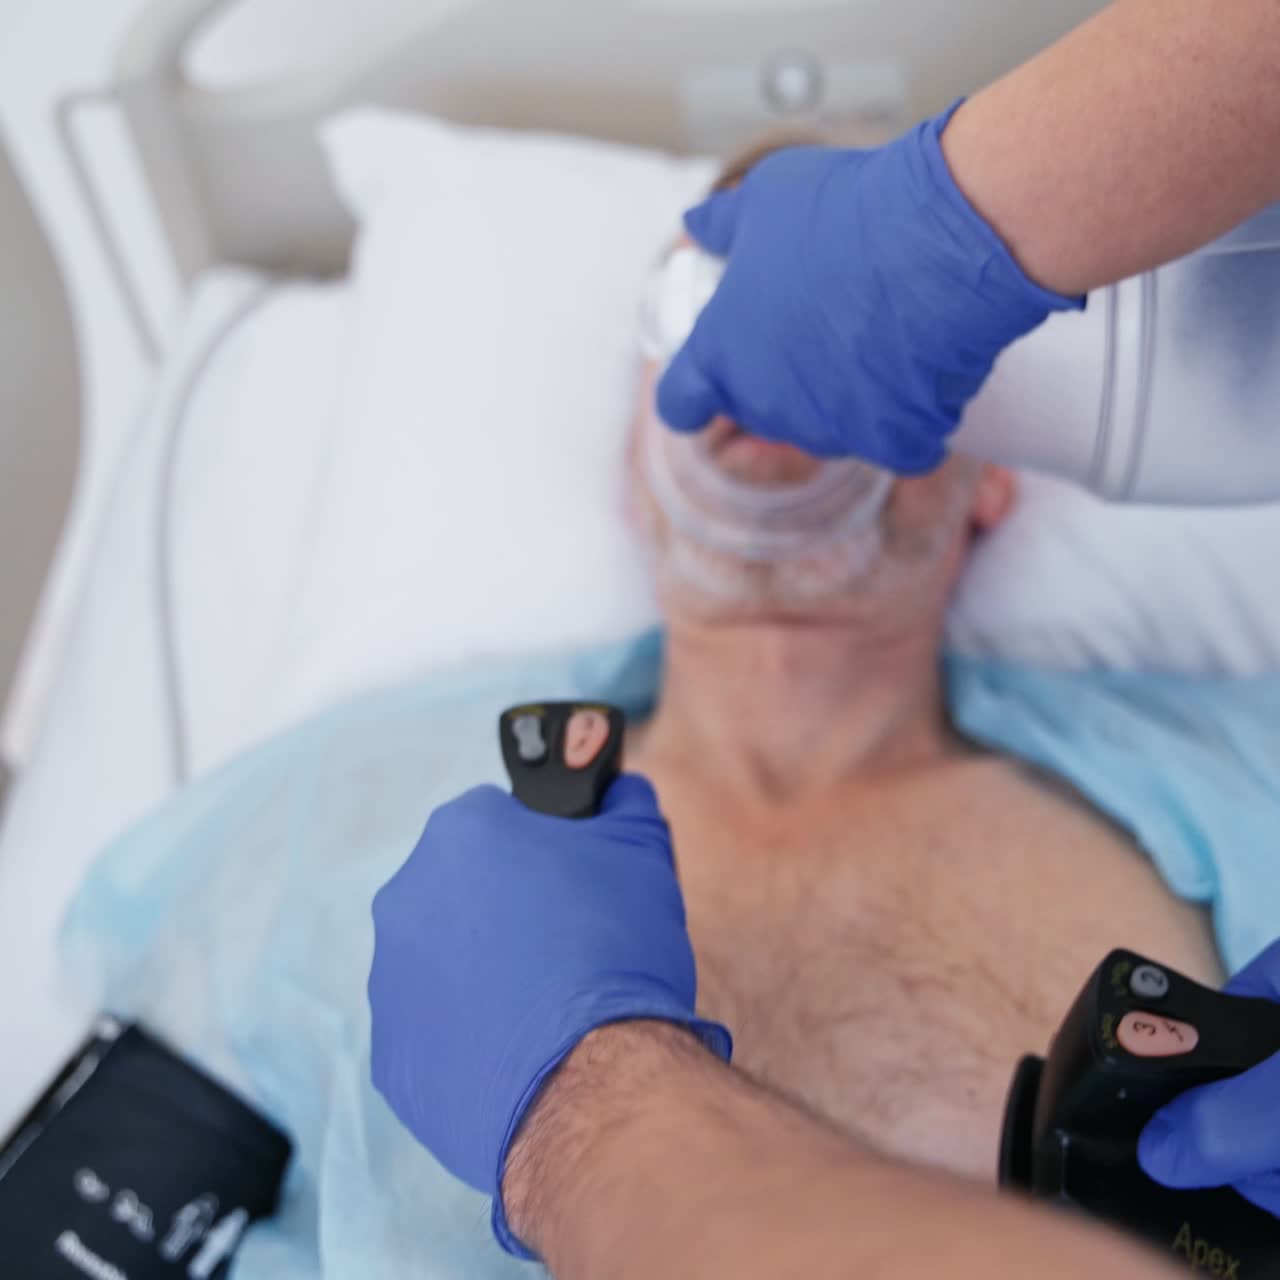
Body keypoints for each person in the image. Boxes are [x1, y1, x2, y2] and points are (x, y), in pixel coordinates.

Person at [368, 132, 1280, 1276]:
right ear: (628, 469)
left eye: (864, 315)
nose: (769, 353)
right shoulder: (339, 807)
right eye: (708, 309)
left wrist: (582, 1120)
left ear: (993, 470)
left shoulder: (1238, 767)